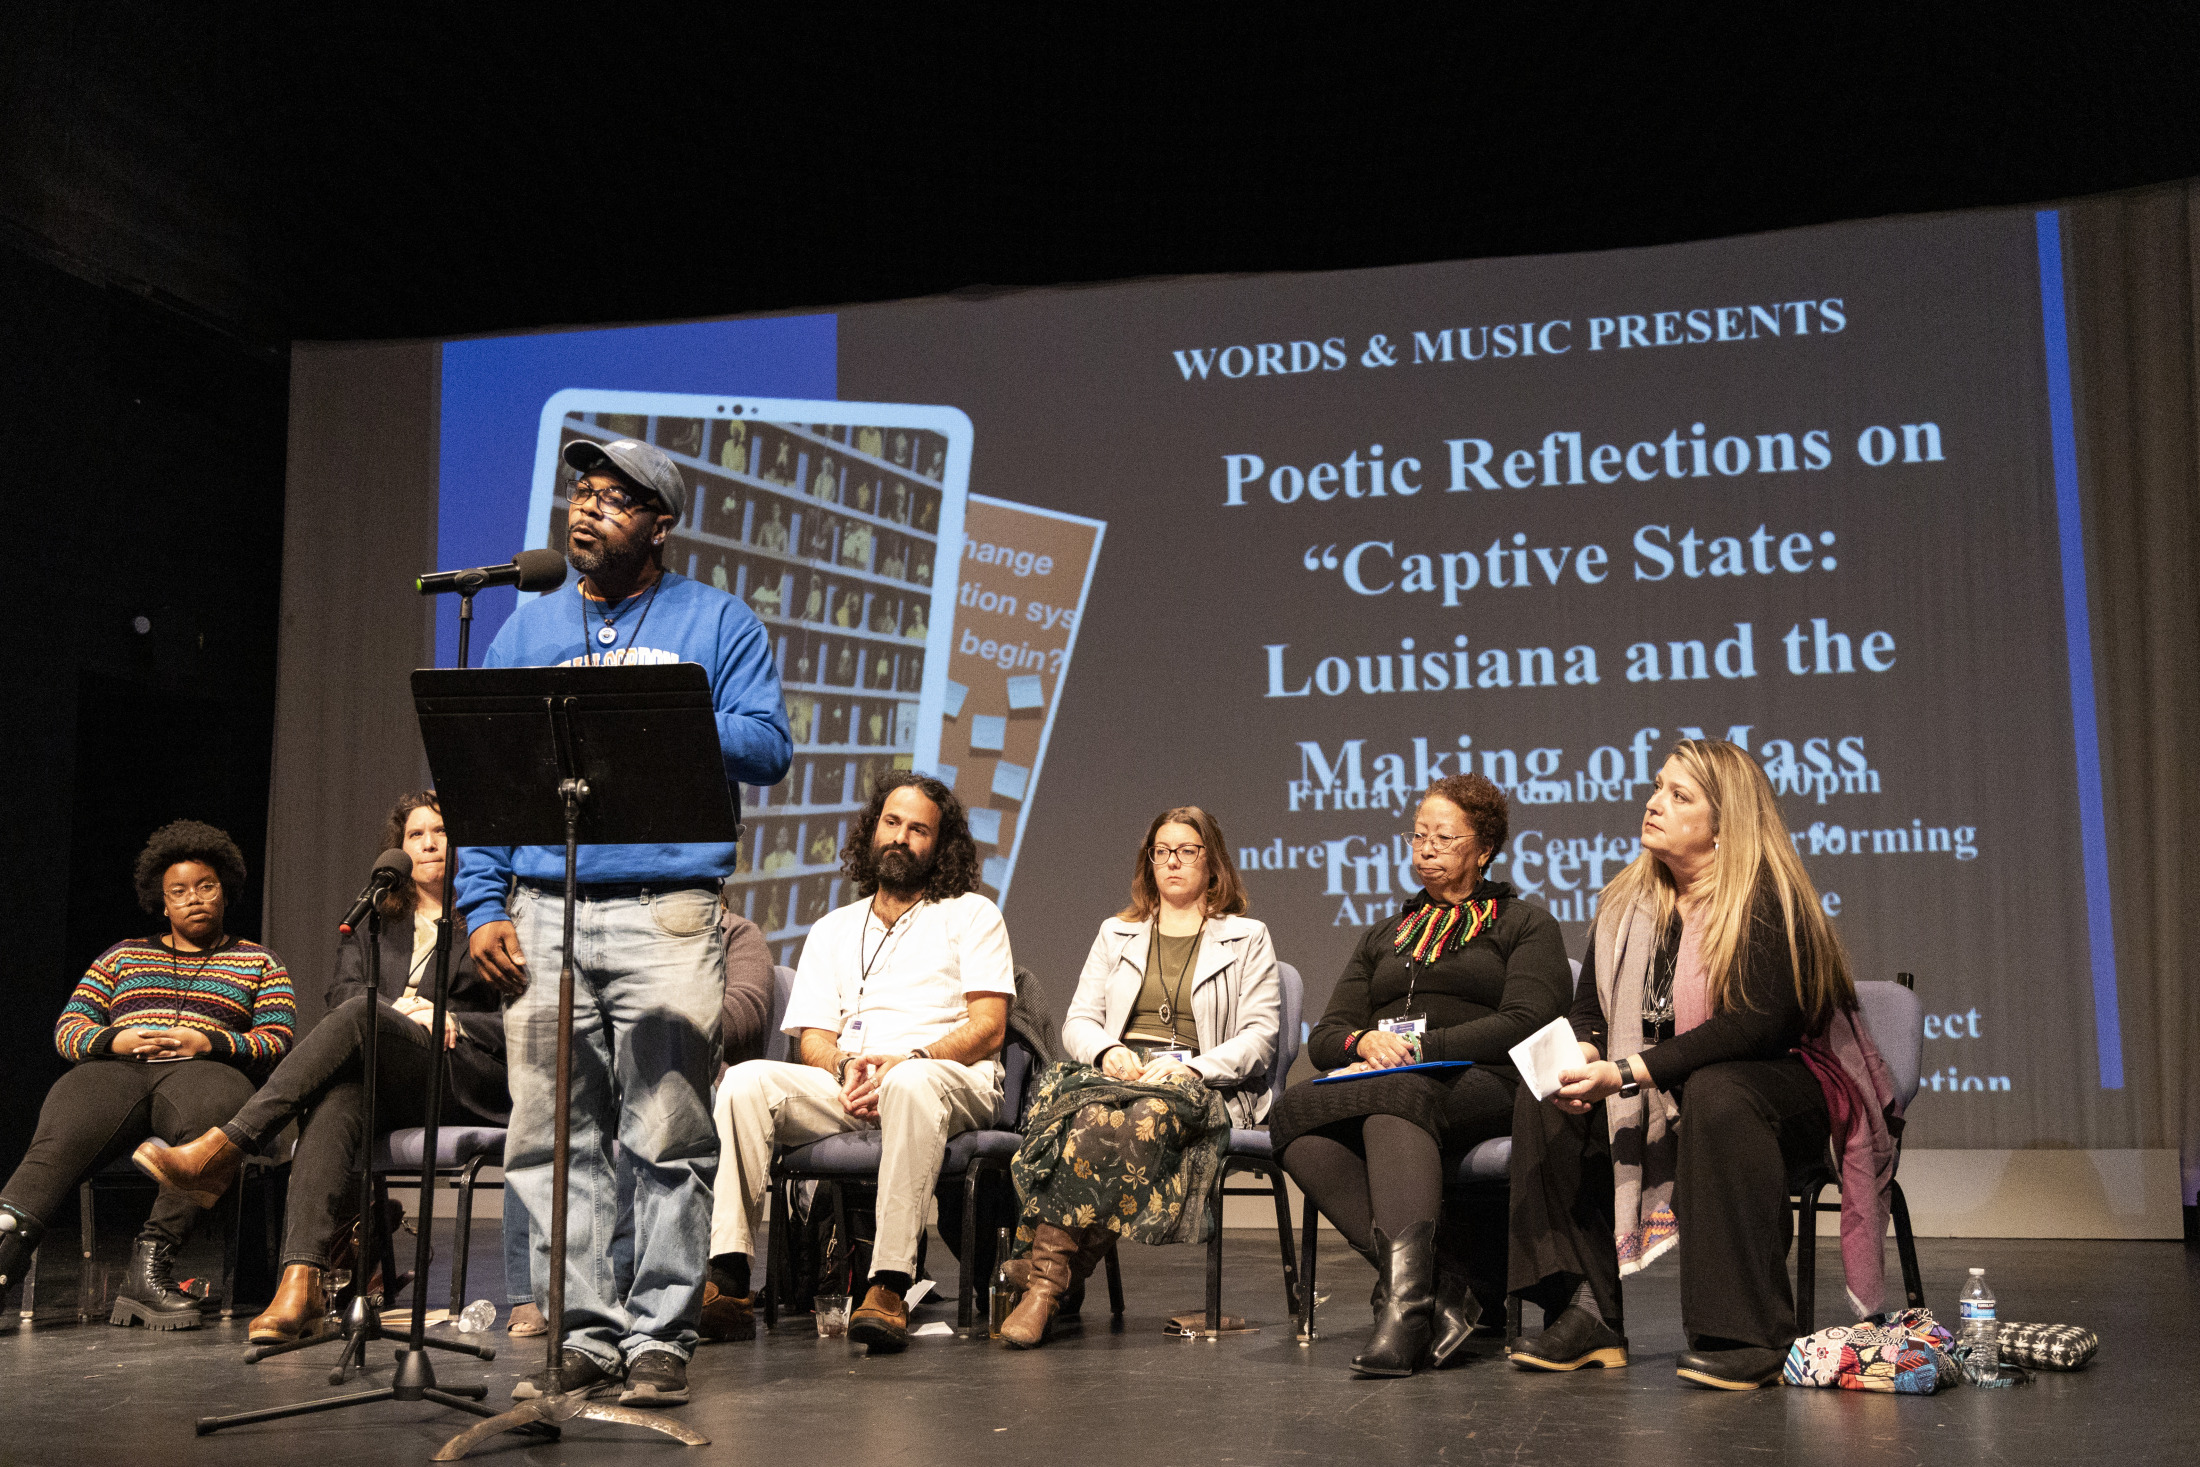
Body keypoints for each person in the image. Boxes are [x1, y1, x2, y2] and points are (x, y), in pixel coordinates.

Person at [459, 435, 792, 1408]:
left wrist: (656, 708)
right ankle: (585, 1329)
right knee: (550, 1142)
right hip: (544, 913)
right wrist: (481, 904)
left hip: (668, 917)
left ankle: (658, 1335)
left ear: (659, 524)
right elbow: (485, 784)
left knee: (666, 1133)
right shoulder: (524, 629)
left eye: (613, 498)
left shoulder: (716, 621)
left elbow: (767, 747)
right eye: (582, 494)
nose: (587, 510)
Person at [1507, 739, 1877, 1391]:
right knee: (1548, 1089)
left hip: (1783, 1088)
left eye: (1680, 795)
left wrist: (1627, 1071)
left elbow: (1755, 1025)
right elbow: (1590, 1005)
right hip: (1669, 1082)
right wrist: (1590, 1051)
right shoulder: (1626, 902)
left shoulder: (1768, 897)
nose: (1654, 803)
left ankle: (1747, 1332)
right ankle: (1588, 1308)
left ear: (1724, 822)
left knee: (1719, 1088)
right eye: (1657, 787)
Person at [135, 792, 509, 1344]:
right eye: (415, 835)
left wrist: (449, 1017)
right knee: (340, 1098)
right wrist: (394, 1013)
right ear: (399, 850)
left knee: (362, 1018)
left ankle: (227, 1147)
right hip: (390, 1069)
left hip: (463, 1073)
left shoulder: (493, 919)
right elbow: (342, 999)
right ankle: (300, 1284)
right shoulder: (377, 921)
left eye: (442, 831)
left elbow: (527, 1023)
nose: (428, 843)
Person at [1272, 773, 1569, 1377]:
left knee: (1396, 1096)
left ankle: (1407, 1310)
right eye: (1418, 835)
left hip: (1489, 1081)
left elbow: (1528, 1019)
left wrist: (1423, 1047)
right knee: (1290, 1115)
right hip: (1397, 1081)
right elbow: (1329, 1035)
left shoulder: (1524, 924)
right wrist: (1366, 1039)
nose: (1425, 847)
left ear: (1483, 850)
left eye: (1444, 837)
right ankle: (1445, 1286)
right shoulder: (1385, 935)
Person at [707, 772, 1013, 1352]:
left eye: (918, 829)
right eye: (891, 823)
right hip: (855, 1084)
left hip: (948, 1078)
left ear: (940, 845)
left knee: (913, 1083)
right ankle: (729, 1280)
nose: (900, 837)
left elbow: (989, 1028)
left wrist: (909, 1059)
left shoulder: (973, 915)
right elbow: (814, 1039)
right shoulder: (831, 929)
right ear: (874, 830)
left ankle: (890, 1285)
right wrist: (846, 1066)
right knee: (745, 1082)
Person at [999, 806, 1278, 1347]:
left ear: (1212, 862)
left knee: (1145, 1113)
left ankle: (1045, 1280)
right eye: (1162, 851)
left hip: (1204, 1085)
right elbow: (1079, 1019)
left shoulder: (1248, 937)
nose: (1172, 861)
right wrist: (1106, 1052)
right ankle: (1056, 1277)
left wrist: (1187, 1067)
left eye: (1187, 851)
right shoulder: (1115, 933)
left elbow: (1259, 1039)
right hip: (1120, 1078)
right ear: (1149, 862)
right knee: (1088, 1116)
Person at [0, 821, 293, 1330]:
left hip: (206, 1071)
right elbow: (69, 1030)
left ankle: (150, 1266)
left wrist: (210, 1041)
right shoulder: (122, 956)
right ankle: (4, 1256)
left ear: (226, 890)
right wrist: (116, 1039)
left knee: (214, 1129)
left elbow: (277, 1039)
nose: (194, 899)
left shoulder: (258, 961)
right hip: (117, 1071)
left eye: (206, 886)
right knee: (59, 1136)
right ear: (162, 903)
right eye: (179, 892)